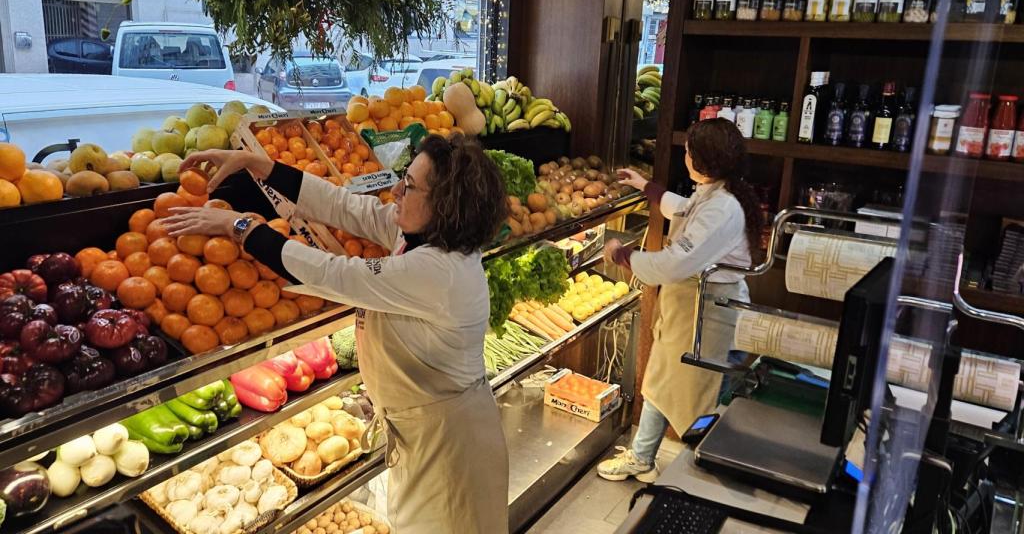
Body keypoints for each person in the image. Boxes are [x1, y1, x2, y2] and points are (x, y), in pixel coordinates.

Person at [165, 134, 511, 533]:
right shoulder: (420, 236)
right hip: (425, 430)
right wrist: (258, 164)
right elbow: (348, 207)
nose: (396, 190)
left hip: (453, 447)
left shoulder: (441, 272)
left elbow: (334, 274)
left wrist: (240, 226)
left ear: (446, 204)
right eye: (404, 177)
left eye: (411, 186)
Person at [596, 118, 762, 482]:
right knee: (660, 380)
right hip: (689, 308)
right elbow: (685, 209)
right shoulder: (716, 194)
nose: (684, 154)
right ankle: (642, 457)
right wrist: (647, 188)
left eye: (687, 150)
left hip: (707, 312)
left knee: (696, 396)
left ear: (700, 159)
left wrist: (625, 258)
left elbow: (676, 262)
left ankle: (703, 473)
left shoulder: (724, 208)